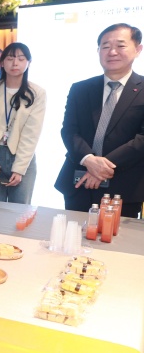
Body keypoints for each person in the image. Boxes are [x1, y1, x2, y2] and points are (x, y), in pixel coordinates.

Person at [55, 23, 144, 218]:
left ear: (138, 49)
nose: (112, 51)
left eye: (120, 45)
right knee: (73, 242)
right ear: (98, 51)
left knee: (116, 245)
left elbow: (142, 139)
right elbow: (69, 131)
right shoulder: (80, 88)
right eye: (105, 46)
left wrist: (101, 167)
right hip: (79, 183)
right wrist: (88, 160)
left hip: (124, 187)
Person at [0, 43, 46, 210]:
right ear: (1, 63)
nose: (15, 63)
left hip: (22, 158)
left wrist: (20, 168)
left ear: (28, 62)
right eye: (10, 58)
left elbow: (31, 134)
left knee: (19, 214)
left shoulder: (37, 93)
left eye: (21, 59)